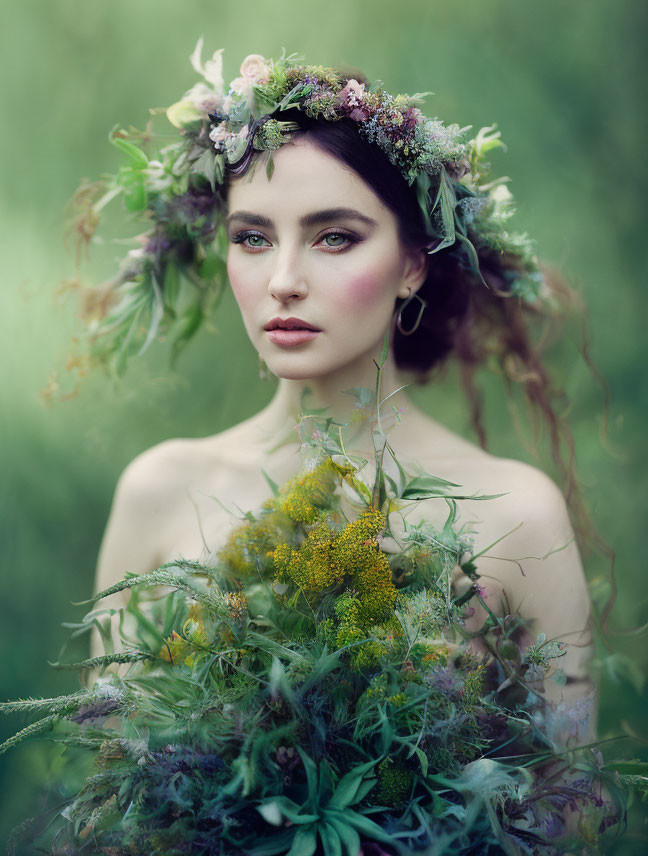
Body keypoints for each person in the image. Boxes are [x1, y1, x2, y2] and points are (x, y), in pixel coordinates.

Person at [84, 43, 596, 741]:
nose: (283, 279)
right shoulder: (159, 492)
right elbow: (103, 794)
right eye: (253, 237)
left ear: (412, 263)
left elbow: (568, 820)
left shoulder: (517, 515)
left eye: (333, 237)